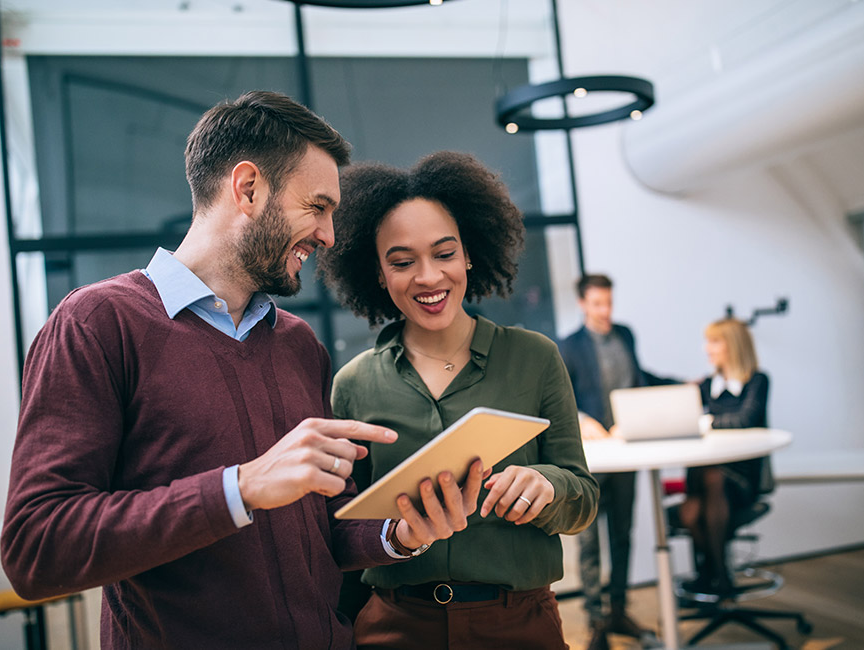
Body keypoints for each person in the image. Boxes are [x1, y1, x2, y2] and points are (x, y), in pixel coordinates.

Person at [0, 91, 482, 650]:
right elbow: (37, 548)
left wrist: (398, 534)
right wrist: (241, 487)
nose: (328, 235)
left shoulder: (299, 343)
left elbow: (324, 527)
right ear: (248, 188)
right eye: (318, 207)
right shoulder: (98, 323)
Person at [317, 151, 599, 650]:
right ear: (378, 273)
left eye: (444, 254)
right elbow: (342, 533)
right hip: (396, 627)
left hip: (520, 625)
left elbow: (583, 498)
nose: (428, 278)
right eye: (402, 262)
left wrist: (547, 485)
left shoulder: (534, 359)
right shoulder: (353, 384)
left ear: (469, 254)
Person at [558, 274, 674, 648]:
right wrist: (579, 418)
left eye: (608, 303)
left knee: (622, 534)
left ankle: (619, 608)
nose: (605, 311)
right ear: (582, 304)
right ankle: (596, 620)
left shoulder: (625, 335)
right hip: (591, 458)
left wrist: (680, 385)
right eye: (597, 304)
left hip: (626, 451)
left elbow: (638, 380)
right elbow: (560, 397)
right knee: (589, 540)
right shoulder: (569, 346)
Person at [678, 318, 770, 597]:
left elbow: (746, 418)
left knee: (710, 482)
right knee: (693, 507)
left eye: (715, 341)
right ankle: (720, 576)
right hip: (706, 480)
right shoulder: (706, 385)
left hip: (741, 480)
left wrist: (705, 422)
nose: (708, 348)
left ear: (734, 346)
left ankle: (712, 576)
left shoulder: (757, 381)